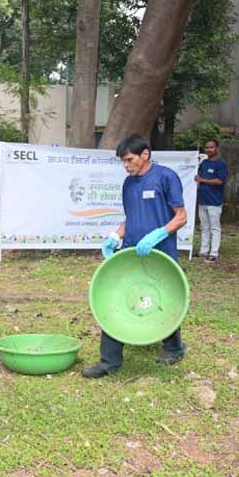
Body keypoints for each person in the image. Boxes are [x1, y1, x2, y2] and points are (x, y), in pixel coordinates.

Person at [82, 134, 188, 378]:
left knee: (166, 298)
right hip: (131, 252)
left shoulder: (165, 177)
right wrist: (115, 236)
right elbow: (131, 218)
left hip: (160, 252)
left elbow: (180, 216)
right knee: (115, 298)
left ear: (145, 154)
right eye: (123, 161)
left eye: (129, 159)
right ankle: (109, 363)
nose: (126, 165)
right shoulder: (128, 184)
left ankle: (173, 348)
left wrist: (157, 235)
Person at [195, 139, 228, 263]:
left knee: (215, 228)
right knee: (204, 227)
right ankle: (203, 251)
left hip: (214, 202)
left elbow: (219, 181)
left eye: (211, 147)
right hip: (202, 200)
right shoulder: (203, 163)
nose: (209, 150)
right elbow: (197, 177)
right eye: (207, 147)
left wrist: (201, 180)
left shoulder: (221, 164)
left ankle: (214, 253)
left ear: (217, 148)